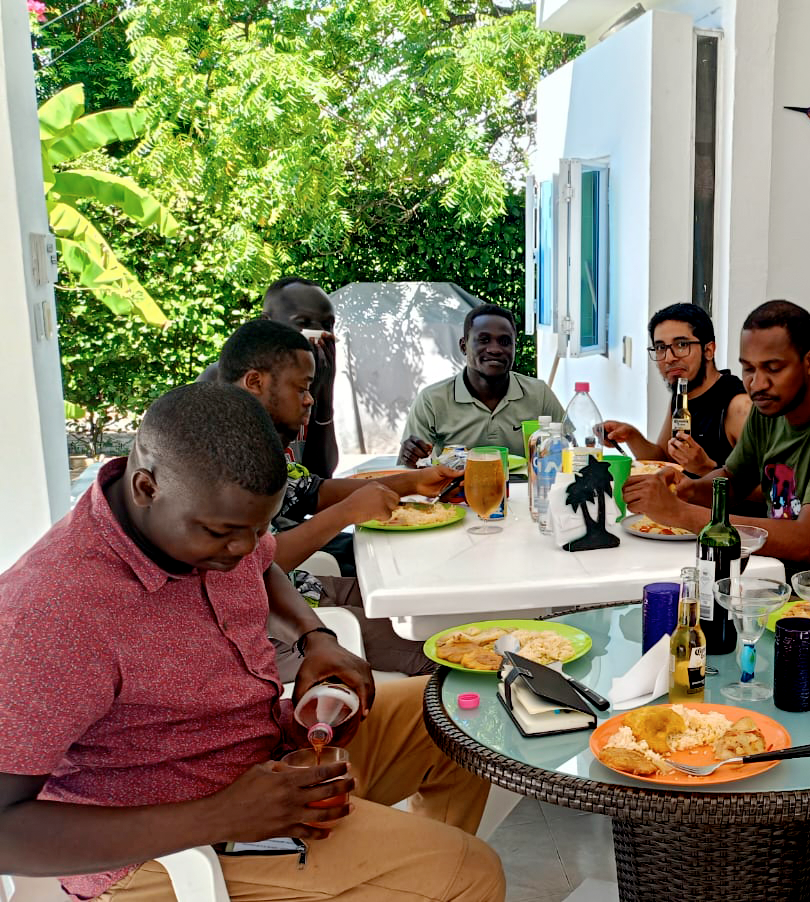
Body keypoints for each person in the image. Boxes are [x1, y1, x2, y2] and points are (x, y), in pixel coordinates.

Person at [0, 382, 503, 902]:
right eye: (222, 534)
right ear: (147, 487)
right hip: (167, 847)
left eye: (257, 529)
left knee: (456, 716)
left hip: (270, 756)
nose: (243, 549)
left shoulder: (209, 515)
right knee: (469, 874)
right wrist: (220, 816)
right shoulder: (51, 613)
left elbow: (262, 566)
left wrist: (315, 638)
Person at [220, 320, 457, 677]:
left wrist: (413, 482)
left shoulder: (259, 446)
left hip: (305, 588)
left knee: (431, 606)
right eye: (301, 388)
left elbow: (313, 492)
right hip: (272, 630)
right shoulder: (221, 459)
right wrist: (346, 513)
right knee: (445, 650)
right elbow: (249, 569)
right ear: (255, 382)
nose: (309, 399)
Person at [622, 299, 810, 563]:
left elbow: (808, 541)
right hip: (775, 565)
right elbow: (733, 482)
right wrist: (688, 489)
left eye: (773, 368)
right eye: (748, 369)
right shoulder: (767, 410)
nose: (757, 384)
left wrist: (681, 513)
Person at [201, 278, 341, 478]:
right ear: (267, 322)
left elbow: (321, 473)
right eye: (303, 323)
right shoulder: (223, 380)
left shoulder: (310, 381)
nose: (320, 334)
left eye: (327, 325)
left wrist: (324, 391)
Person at [399, 304, 563, 468]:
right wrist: (411, 455)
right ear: (463, 346)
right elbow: (410, 467)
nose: (495, 349)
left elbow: (568, 450)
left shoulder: (539, 394)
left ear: (514, 348)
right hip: (457, 485)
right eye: (484, 340)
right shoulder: (432, 400)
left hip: (528, 484)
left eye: (505, 341)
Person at [601, 302, 752, 476]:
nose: (669, 358)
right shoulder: (682, 394)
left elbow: (767, 487)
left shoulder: (739, 407)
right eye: (660, 348)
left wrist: (706, 468)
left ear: (709, 350)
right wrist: (631, 435)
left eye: (681, 345)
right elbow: (665, 460)